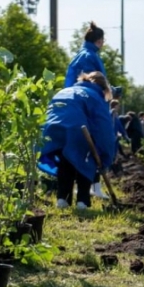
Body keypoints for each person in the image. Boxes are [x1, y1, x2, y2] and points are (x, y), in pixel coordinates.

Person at [40, 71, 116, 210]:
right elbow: (104, 130)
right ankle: (82, 202)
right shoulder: (95, 96)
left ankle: (62, 200)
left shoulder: (66, 90)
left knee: (66, 160)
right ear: (103, 87)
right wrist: (106, 157)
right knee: (87, 161)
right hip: (77, 130)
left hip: (52, 130)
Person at [64, 22, 107, 88]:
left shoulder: (80, 55)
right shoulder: (90, 56)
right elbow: (92, 82)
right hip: (84, 95)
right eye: (103, 40)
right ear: (99, 40)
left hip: (70, 92)